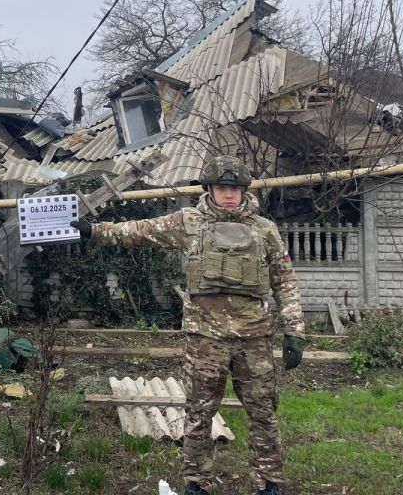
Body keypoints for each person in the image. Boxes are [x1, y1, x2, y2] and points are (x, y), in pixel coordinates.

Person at [71, 156, 304, 495]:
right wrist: (94, 230)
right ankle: (197, 484)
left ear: (243, 191)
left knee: (263, 413)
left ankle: (270, 484)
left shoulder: (264, 229)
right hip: (204, 339)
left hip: (254, 339)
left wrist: (294, 330)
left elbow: (285, 280)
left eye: (235, 188)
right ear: (209, 188)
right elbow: (140, 231)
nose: (229, 195)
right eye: (222, 188)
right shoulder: (188, 222)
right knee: (198, 415)